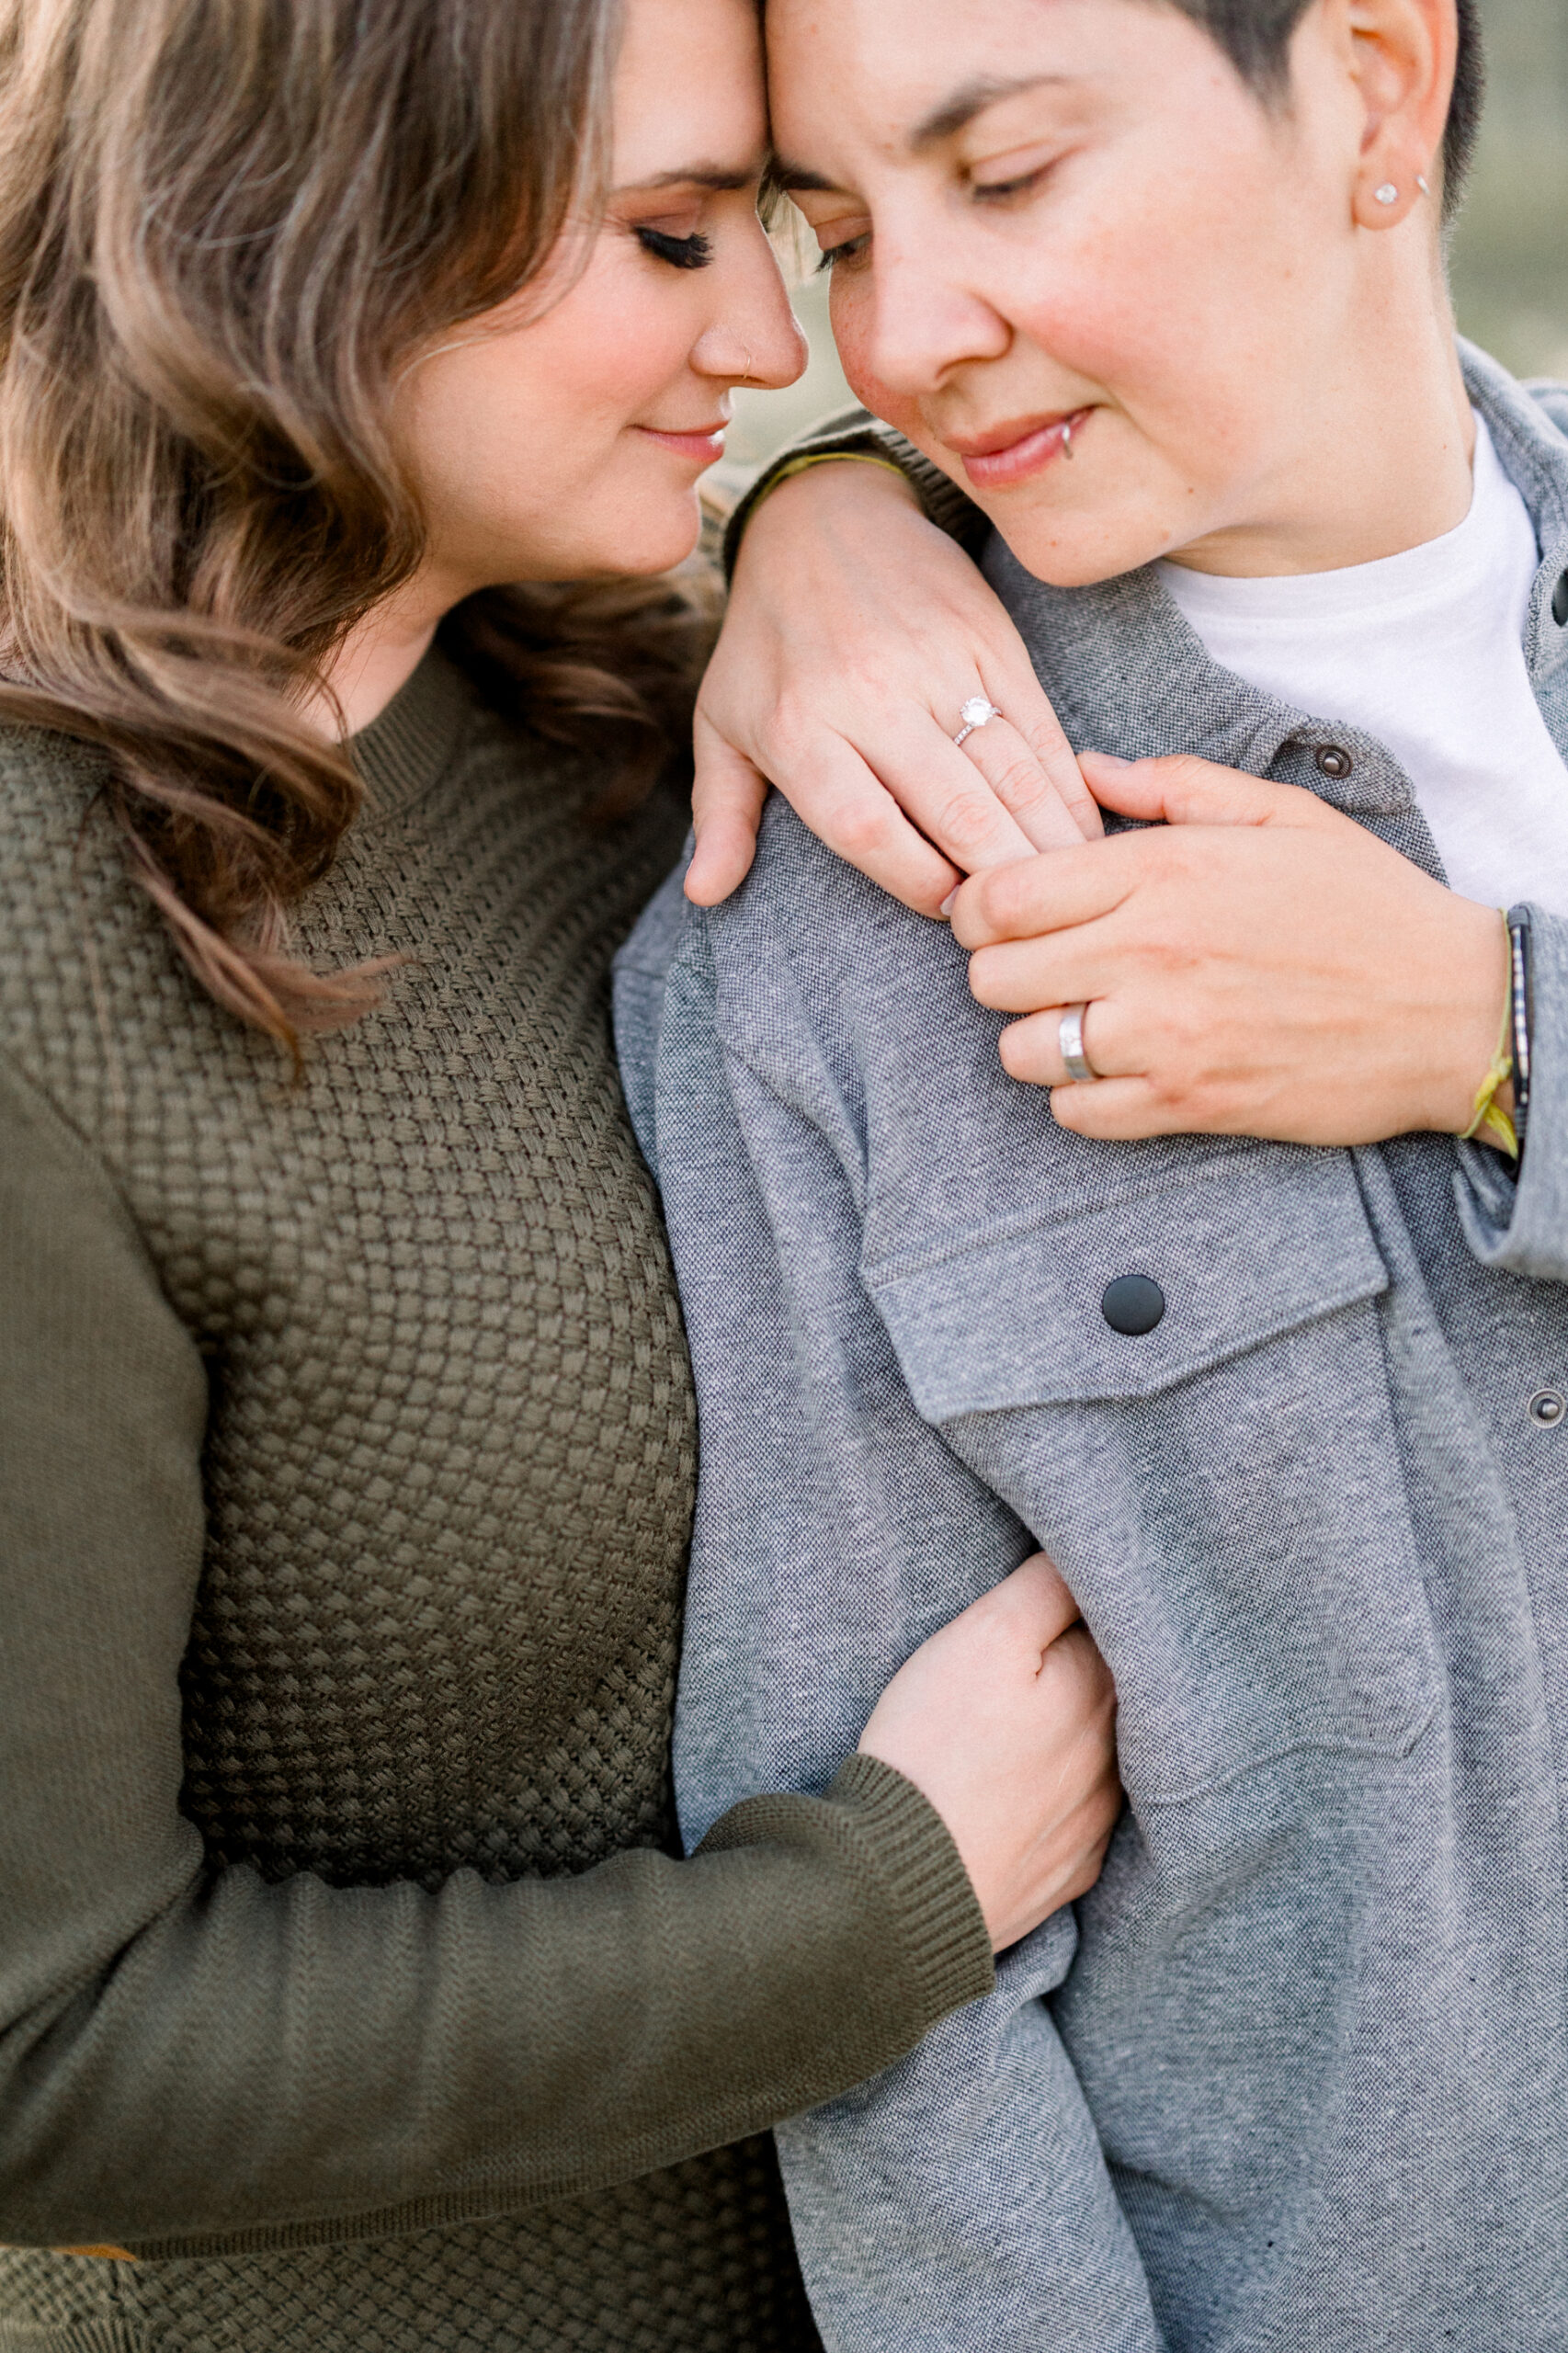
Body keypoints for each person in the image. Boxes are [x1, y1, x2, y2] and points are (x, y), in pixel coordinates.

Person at [0, 1, 1125, 2347]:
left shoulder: (598, 702)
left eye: (770, 231)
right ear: (315, 219)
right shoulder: (40, 966)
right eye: (672, 236)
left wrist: (835, 497)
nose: (770, 328)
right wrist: (880, 1906)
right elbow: (45, 2054)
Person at [619, 0, 1568, 2344]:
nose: (904, 338)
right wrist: (793, 498)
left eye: (1009, 175)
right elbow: (904, 2014)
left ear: (1367, 86)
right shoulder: (820, 933)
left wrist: (1493, 1037)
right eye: (832, 233)